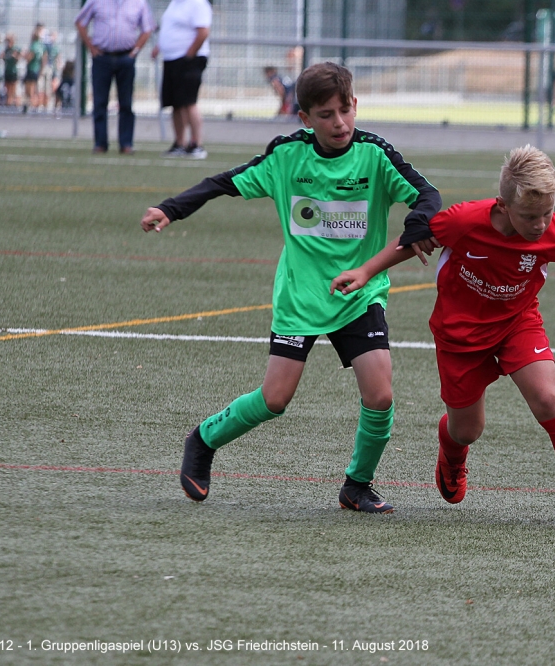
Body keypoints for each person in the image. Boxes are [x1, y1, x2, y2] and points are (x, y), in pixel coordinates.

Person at [139, 62, 442, 513]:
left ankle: (357, 485)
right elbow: (223, 183)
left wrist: (419, 223)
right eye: (326, 115)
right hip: (301, 295)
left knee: (380, 394)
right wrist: (170, 209)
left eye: (345, 110)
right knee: (275, 399)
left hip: (359, 295)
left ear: (355, 105)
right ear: (305, 117)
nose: (339, 123)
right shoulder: (286, 157)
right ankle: (203, 440)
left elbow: (427, 195)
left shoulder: (375, 155)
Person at [331, 145, 555, 504]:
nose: (540, 224)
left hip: (518, 322)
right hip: (460, 335)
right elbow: (412, 241)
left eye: (547, 213)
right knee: (468, 430)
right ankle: (452, 451)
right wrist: (366, 271)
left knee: (548, 399)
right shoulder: (464, 221)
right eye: (529, 216)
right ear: (503, 206)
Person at [75, 0, 154, 154]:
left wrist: (134, 52)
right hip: (102, 57)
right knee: (99, 103)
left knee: (126, 103)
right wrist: (91, 48)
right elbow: (80, 22)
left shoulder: (139, 3)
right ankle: (100, 143)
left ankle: (126, 144)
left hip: (126, 57)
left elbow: (147, 28)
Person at [153, 0, 212, 159]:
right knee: (176, 103)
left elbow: (203, 32)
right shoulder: (175, 4)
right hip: (171, 59)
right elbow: (171, 29)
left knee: (189, 101)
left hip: (189, 60)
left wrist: (189, 55)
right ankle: (180, 143)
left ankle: (196, 144)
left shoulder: (198, 4)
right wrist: (160, 47)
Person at [23, 25, 46, 111]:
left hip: (31, 69)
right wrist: (41, 70)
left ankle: (30, 106)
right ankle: (34, 106)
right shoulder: (41, 46)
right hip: (37, 69)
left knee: (29, 90)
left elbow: (29, 58)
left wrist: (25, 55)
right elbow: (44, 59)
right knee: (34, 88)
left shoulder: (33, 46)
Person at [1, 33, 21, 108]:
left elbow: (17, 59)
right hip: (7, 70)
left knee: (13, 87)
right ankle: (8, 101)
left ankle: (12, 101)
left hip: (13, 71)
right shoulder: (6, 50)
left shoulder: (15, 49)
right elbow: (4, 58)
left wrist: (15, 55)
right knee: (7, 87)